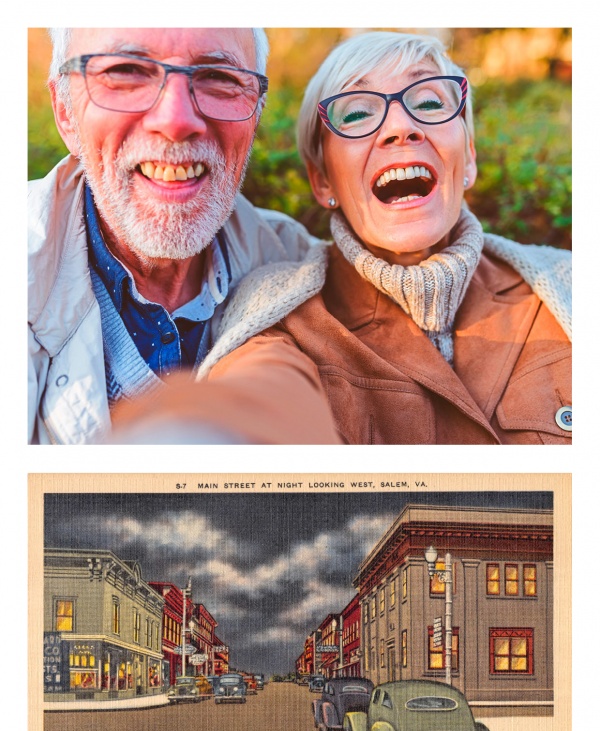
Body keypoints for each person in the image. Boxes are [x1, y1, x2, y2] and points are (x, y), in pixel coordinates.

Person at [192, 30, 571, 445]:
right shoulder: (279, 318)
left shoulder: (568, 286)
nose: (401, 127)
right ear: (322, 181)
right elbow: (257, 403)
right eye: (356, 114)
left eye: (429, 103)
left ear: (470, 158)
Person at [28, 27, 339, 444]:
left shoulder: (299, 266)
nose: (175, 121)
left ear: (256, 113)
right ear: (65, 111)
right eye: (126, 72)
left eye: (219, 78)